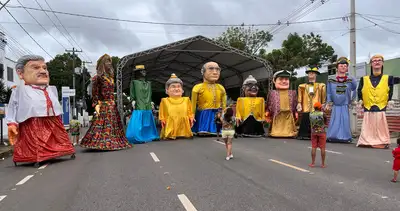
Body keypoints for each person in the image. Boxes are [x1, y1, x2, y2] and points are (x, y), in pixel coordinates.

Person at [6, 55, 75, 167]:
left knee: (60, 138)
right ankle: (37, 157)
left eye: (45, 68)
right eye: (36, 67)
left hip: (53, 121)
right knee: (35, 144)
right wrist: (11, 123)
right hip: (32, 124)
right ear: (20, 73)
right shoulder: (19, 91)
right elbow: (13, 107)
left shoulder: (51, 89)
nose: (43, 71)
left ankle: (63, 150)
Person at [80, 54, 131, 150]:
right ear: (103, 64)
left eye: (110, 62)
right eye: (107, 62)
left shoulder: (111, 78)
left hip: (112, 105)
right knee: (102, 126)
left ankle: (112, 141)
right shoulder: (97, 78)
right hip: (104, 106)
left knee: (113, 126)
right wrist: (96, 105)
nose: (109, 64)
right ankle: (101, 142)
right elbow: (95, 93)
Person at [357, 54, 400, 149]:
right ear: (371, 64)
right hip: (368, 106)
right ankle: (366, 141)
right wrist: (360, 100)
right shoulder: (364, 79)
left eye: (379, 60)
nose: (376, 62)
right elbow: (359, 90)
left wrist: (390, 100)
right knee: (368, 125)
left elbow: (391, 90)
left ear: (382, 63)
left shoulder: (388, 78)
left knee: (381, 125)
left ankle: (382, 141)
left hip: (381, 106)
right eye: (374, 60)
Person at [325, 57, 357, 143]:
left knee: (345, 120)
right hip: (335, 105)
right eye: (341, 65)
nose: (343, 67)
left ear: (347, 68)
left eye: (345, 66)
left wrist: (353, 100)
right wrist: (328, 102)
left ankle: (345, 137)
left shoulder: (351, 79)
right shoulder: (331, 79)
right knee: (334, 120)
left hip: (345, 105)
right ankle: (332, 136)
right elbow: (328, 92)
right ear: (337, 67)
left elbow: (354, 89)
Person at [126, 65, 159, 143]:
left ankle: (149, 135)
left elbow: (150, 93)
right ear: (137, 73)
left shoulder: (148, 83)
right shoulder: (134, 82)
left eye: (144, 70)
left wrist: (151, 102)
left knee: (147, 121)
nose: (144, 72)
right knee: (139, 120)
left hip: (147, 104)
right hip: (139, 104)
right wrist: (133, 100)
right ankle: (138, 136)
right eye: (142, 71)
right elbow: (132, 93)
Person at [191, 62, 227, 135]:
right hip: (203, 115)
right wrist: (192, 115)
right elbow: (193, 104)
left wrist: (224, 116)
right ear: (203, 72)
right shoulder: (197, 87)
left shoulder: (221, 88)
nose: (215, 72)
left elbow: (224, 105)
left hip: (217, 114)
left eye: (217, 69)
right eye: (211, 69)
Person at [158, 73, 194, 140]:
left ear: (182, 90)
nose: (176, 89)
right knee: (170, 132)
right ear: (167, 90)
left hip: (183, 120)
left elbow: (190, 110)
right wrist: (162, 119)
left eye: (178, 86)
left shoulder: (186, 100)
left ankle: (184, 133)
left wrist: (191, 117)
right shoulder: (165, 100)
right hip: (170, 122)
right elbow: (161, 111)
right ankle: (170, 134)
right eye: (173, 87)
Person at [265, 70, 298, 138]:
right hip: (277, 115)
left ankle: (290, 132)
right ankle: (275, 132)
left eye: (286, 79)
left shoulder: (293, 93)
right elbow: (269, 103)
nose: (284, 81)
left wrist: (296, 112)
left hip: (289, 115)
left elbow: (295, 104)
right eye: (280, 79)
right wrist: (267, 111)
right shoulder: (272, 93)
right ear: (274, 81)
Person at [297, 66, 326, 140]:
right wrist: (299, 103)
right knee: (305, 119)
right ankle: (304, 134)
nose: (311, 74)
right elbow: (300, 97)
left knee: (317, 120)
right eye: (310, 73)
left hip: (316, 108)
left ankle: (317, 135)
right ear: (307, 74)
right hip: (306, 107)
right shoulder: (302, 86)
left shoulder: (321, 86)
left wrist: (323, 104)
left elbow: (323, 97)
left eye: (313, 73)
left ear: (316, 74)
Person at [309, 102, 328, 168]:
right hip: (321, 132)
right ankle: (323, 164)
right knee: (322, 148)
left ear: (314, 108)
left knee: (314, 147)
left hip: (313, 132)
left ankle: (313, 163)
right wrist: (324, 125)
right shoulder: (323, 114)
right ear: (320, 107)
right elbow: (326, 121)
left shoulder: (311, 114)